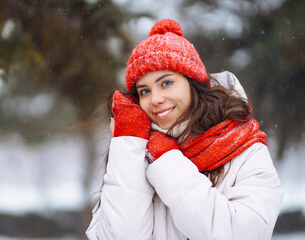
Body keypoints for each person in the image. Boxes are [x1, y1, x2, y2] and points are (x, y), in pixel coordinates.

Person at [86, 19, 283, 240]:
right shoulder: (135, 152)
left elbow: (241, 234)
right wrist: (128, 144)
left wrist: (167, 160)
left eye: (166, 83)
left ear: (192, 83)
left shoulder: (246, 150)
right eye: (144, 91)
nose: (156, 99)